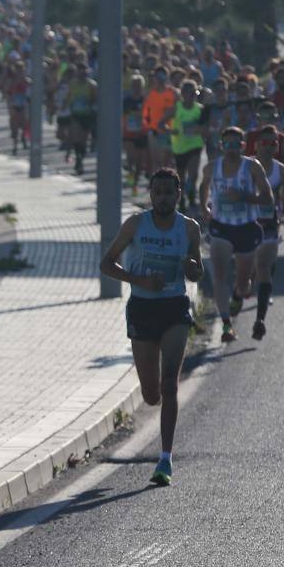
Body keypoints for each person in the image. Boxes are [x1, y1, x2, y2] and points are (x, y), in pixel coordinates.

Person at [100, 168, 204, 486]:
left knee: (170, 383)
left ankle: (165, 459)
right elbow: (107, 264)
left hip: (174, 307)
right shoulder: (135, 224)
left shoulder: (189, 228)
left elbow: (197, 273)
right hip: (142, 308)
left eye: (168, 192)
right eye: (157, 192)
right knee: (151, 394)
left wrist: (191, 267)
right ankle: (155, 397)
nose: (162, 198)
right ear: (150, 195)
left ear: (178, 194)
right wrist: (139, 280)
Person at [199, 126, 274, 343]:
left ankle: (238, 294)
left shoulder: (252, 167)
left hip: (246, 227)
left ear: (242, 146)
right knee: (220, 276)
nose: (231, 149)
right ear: (222, 146)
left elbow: (267, 198)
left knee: (243, 284)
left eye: (235, 145)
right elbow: (203, 188)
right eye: (227, 145)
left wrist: (244, 196)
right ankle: (226, 325)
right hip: (221, 227)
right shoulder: (212, 168)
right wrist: (204, 208)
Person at [252, 125, 284, 340]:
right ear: (257, 144)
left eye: (273, 143)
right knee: (250, 272)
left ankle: (260, 319)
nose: (268, 147)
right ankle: (240, 296)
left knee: (264, 268)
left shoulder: (282, 171)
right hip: (246, 225)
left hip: (270, 225)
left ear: (277, 146)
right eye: (264, 143)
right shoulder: (246, 167)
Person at [160, 80, 204, 211]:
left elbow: (206, 127)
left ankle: (191, 196)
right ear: (183, 94)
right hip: (179, 147)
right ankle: (182, 198)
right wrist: (170, 130)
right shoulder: (176, 108)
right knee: (181, 176)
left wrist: (202, 130)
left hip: (195, 144)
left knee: (194, 173)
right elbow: (161, 124)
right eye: (190, 93)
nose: (192, 96)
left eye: (194, 93)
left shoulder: (200, 109)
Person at [143, 66, 177, 173]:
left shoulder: (173, 93)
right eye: (158, 76)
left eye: (163, 75)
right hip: (154, 131)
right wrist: (147, 127)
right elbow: (145, 113)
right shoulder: (150, 93)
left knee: (168, 162)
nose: (160, 78)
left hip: (169, 131)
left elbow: (177, 110)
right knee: (156, 161)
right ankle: (155, 184)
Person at [66, 61, 97, 175]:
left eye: (85, 71)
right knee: (75, 138)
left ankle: (80, 160)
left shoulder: (92, 85)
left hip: (87, 115)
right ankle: (78, 158)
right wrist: (65, 106)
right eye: (80, 70)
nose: (82, 73)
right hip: (76, 114)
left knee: (83, 140)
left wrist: (89, 103)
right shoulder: (72, 83)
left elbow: (95, 99)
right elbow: (69, 96)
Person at [122, 73, 148, 196]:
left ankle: (135, 181)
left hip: (141, 133)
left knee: (139, 162)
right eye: (134, 85)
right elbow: (122, 116)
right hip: (129, 133)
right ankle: (132, 180)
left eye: (139, 85)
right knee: (131, 159)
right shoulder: (126, 100)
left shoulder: (145, 100)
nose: (137, 87)